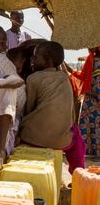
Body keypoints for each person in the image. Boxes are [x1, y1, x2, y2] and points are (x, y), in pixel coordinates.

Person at [20, 41, 85, 173]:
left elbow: (28, 109)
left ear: (47, 60)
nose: (31, 60)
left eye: (35, 57)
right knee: (78, 142)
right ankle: (78, 171)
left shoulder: (32, 78)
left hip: (31, 138)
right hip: (62, 141)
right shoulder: (65, 78)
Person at [76, 46, 100, 160]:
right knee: (90, 123)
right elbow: (84, 76)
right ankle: (92, 152)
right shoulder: (91, 59)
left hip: (93, 97)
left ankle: (94, 152)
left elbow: (83, 76)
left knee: (92, 124)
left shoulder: (92, 59)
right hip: (91, 97)